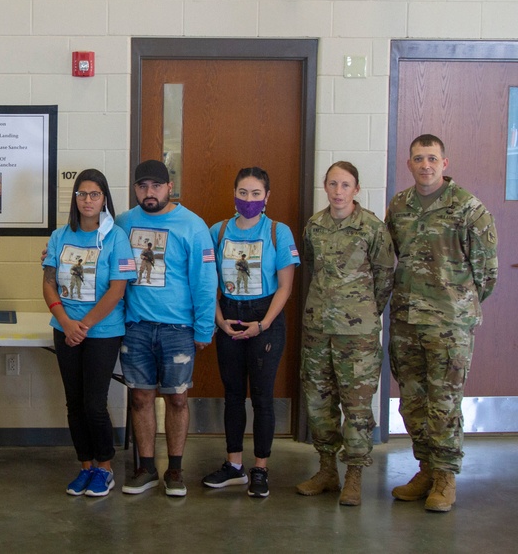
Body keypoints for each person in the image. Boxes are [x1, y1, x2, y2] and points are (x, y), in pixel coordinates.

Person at [385, 134, 497, 513]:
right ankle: (427, 469)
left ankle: (446, 477)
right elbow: (393, 255)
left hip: (449, 325)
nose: (426, 165)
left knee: (443, 404)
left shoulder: (468, 208)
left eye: (432, 158)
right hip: (406, 322)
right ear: (410, 164)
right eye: (419, 158)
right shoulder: (399, 205)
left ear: (444, 163)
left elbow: (486, 273)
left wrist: (456, 307)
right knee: (412, 403)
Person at [115, 160, 218, 497]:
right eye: (142, 186)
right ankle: (145, 468)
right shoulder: (123, 223)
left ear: (168, 187)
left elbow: (205, 281)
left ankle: (174, 470)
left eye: (156, 186)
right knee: (141, 397)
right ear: (135, 189)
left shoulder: (192, 225)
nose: (149, 192)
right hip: (136, 327)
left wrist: (204, 328)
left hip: (178, 329)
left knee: (176, 399)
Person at [295, 162, 394, 506]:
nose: (338, 191)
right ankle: (326, 470)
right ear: (325, 186)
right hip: (318, 330)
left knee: (356, 407)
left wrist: (364, 310)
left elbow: (384, 277)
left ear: (356, 189)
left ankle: (354, 474)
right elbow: (311, 266)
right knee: (319, 403)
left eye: (346, 184)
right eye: (333, 184)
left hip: (358, 336)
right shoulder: (314, 227)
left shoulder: (372, 228)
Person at [203, 166, 300, 499]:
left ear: (267, 197)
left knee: (262, 396)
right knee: (232, 395)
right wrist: (219, 320)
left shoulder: (278, 232)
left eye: (256, 193)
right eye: (242, 193)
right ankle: (234, 466)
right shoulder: (218, 231)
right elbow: (208, 284)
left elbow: (286, 287)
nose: (249, 199)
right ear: (234, 194)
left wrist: (264, 324)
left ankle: (260, 467)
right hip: (228, 317)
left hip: (265, 320)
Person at [42, 169, 138, 498]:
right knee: (74, 403)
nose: (87, 200)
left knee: (95, 404)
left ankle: (105, 469)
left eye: (94, 194)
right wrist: (66, 322)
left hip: (103, 332)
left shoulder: (117, 238)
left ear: (104, 199)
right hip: (64, 329)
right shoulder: (60, 236)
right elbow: (49, 282)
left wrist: (84, 325)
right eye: (82, 194)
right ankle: (85, 466)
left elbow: (118, 289)